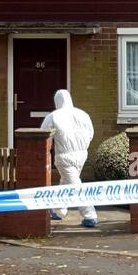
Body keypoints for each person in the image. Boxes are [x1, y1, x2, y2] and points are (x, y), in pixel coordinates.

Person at [41, 88, 97, 227]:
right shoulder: (83, 114)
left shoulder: (53, 116)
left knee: (76, 186)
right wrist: (83, 146)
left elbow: (42, 134)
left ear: (57, 101)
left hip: (64, 156)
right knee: (68, 182)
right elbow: (91, 133)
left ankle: (90, 215)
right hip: (82, 154)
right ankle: (59, 211)